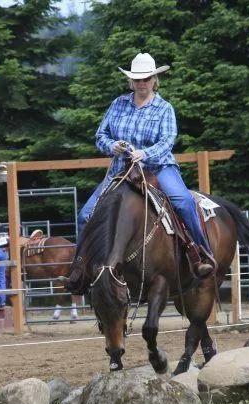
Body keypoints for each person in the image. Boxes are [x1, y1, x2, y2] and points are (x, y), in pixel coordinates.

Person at [76, 52, 215, 279]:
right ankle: (81, 267)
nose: (142, 83)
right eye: (138, 79)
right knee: (85, 215)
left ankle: (199, 253)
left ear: (154, 80)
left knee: (183, 201)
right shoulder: (118, 104)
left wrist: (144, 153)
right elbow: (101, 135)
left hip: (159, 167)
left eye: (146, 78)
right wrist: (113, 146)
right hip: (121, 170)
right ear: (131, 81)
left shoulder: (164, 108)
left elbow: (167, 141)